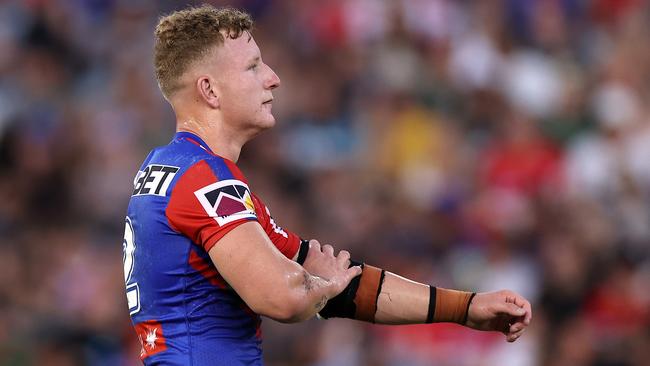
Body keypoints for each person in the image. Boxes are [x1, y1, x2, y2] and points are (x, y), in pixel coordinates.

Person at [122, 5, 532, 365]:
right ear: (209, 90)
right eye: (252, 66)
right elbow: (281, 296)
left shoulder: (169, 169)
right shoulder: (203, 178)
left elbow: (338, 285)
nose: (273, 78)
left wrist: (467, 307)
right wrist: (323, 284)